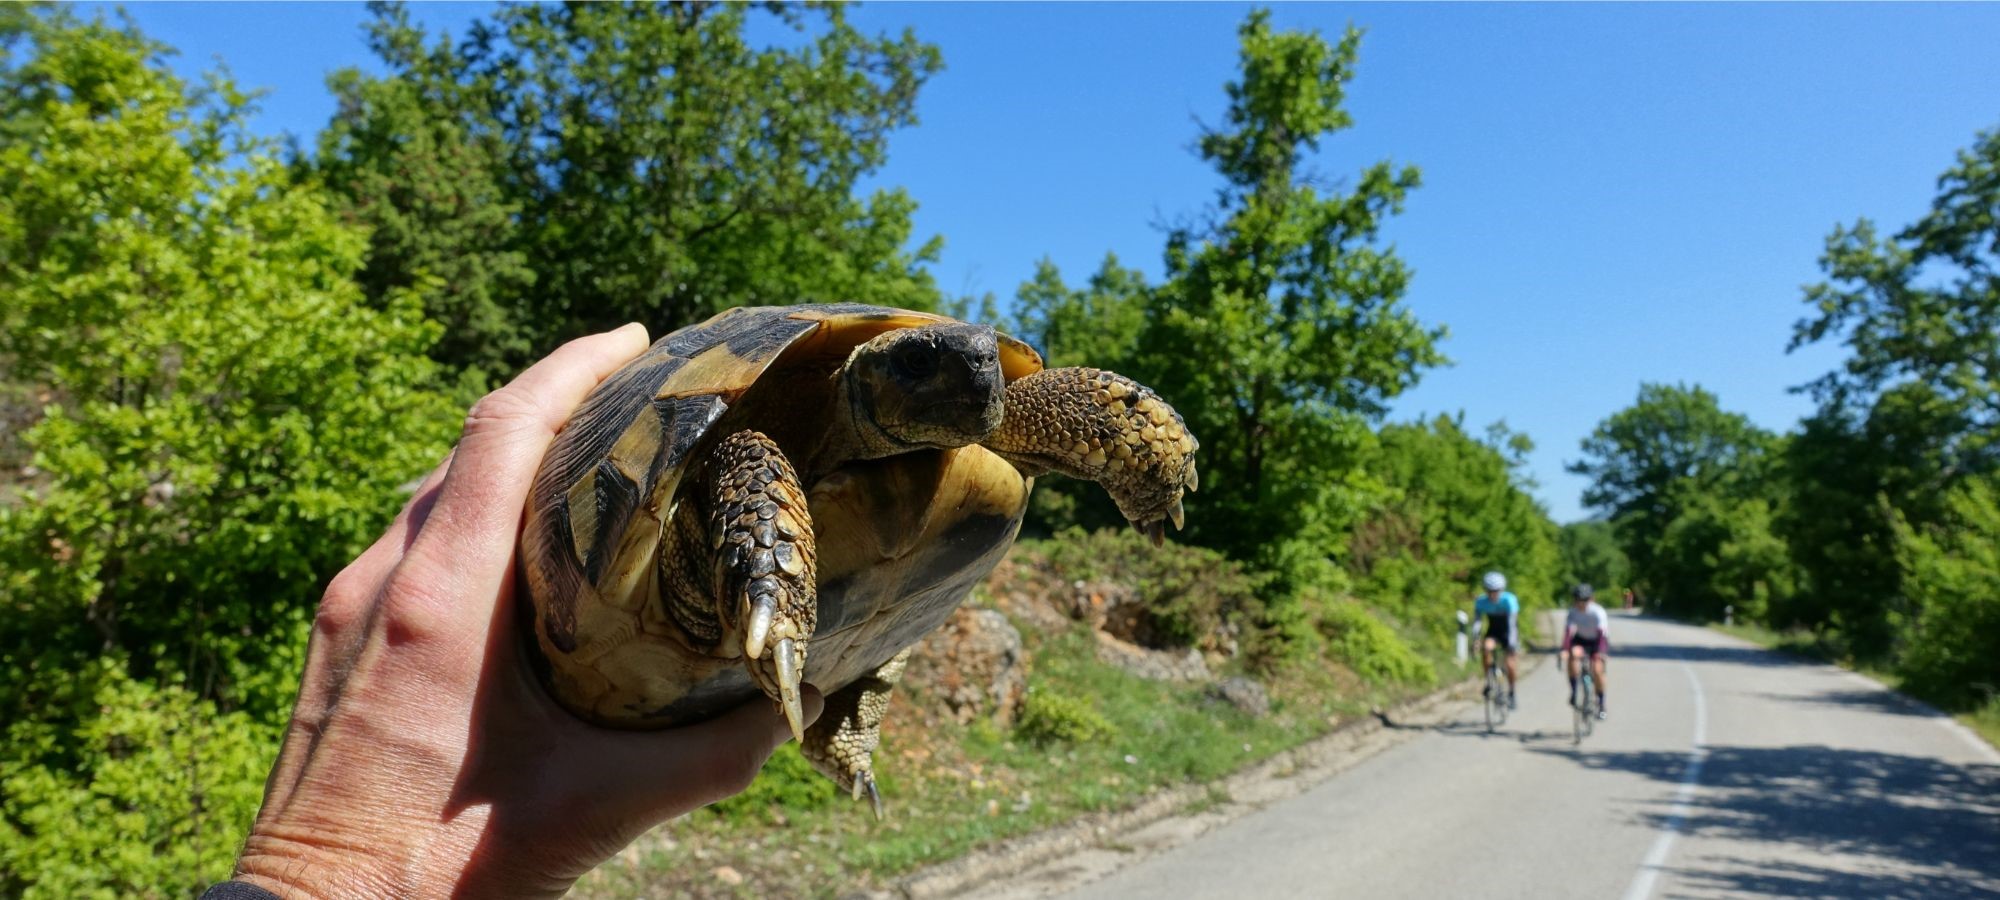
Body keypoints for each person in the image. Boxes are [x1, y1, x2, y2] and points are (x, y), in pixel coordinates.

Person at [204, 325, 825, 900]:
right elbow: (742, 453)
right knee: (748, 458)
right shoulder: (751, 450)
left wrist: (300, 872)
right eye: (915, 363)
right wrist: (355, 860)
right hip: (654, 593)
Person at [1561, 583, 1611, 719]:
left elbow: (1602, 634)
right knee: (1572, 656)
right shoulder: (1573, 612)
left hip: (1597, 641)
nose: (1581, 604)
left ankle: (1601, 704)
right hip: (1581, 639)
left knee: (1597, 670)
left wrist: (1600, 653)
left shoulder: (1598, 612)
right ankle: (1574, 691)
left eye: (1584, 601)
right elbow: (1568, 633)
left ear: (1591, 599)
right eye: (1578, 600)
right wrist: (1565, 650)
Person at [1473, 571, 1520, 709]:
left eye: (1496, 591)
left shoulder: (1509, 600)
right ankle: (1488, 681)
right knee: (1486, 649)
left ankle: (1512, 692)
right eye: (1490, 591)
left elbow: (1512, 624)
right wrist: (1475, 639)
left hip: (1508, 632)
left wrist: (1511, 644)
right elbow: (1477, 623)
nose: (1493, 594)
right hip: (1493, 631)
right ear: (1486, 590)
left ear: (1502, 590)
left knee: (1510, 664)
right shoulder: (1481, 601)